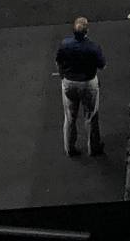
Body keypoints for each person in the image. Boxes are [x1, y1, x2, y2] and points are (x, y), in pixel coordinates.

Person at [55, 16, 106, 157]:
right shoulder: (93, 47)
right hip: (88, 83)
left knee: (69, 117)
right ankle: (93, 148)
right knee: (91, 116)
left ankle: (69, 148)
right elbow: (102, 65)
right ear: (86, 31)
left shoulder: (65, 44)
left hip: (69, 83)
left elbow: (58, 62)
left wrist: (62, 76)